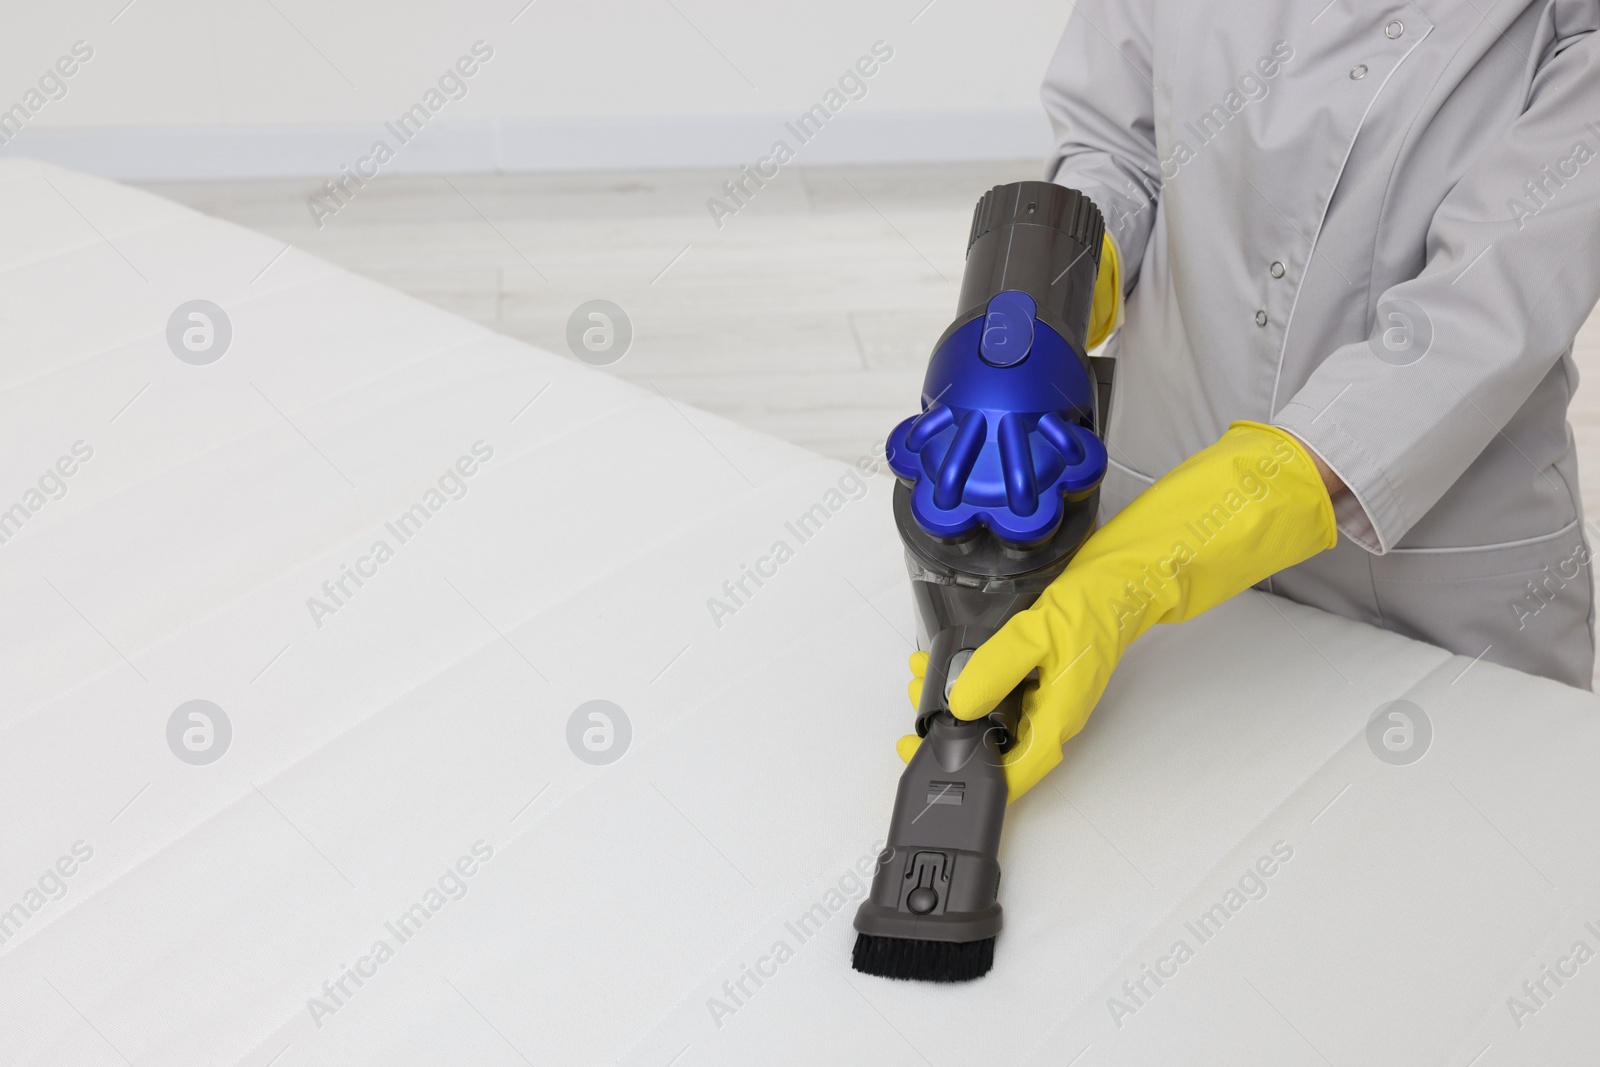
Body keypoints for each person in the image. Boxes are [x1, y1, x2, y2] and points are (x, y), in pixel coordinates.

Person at [903, 0, 1600, 801]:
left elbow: (1475, 319)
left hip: (1423, 595)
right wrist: (1050, 290)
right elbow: (1115, 148)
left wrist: (1161, 557)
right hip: (1145, 537)